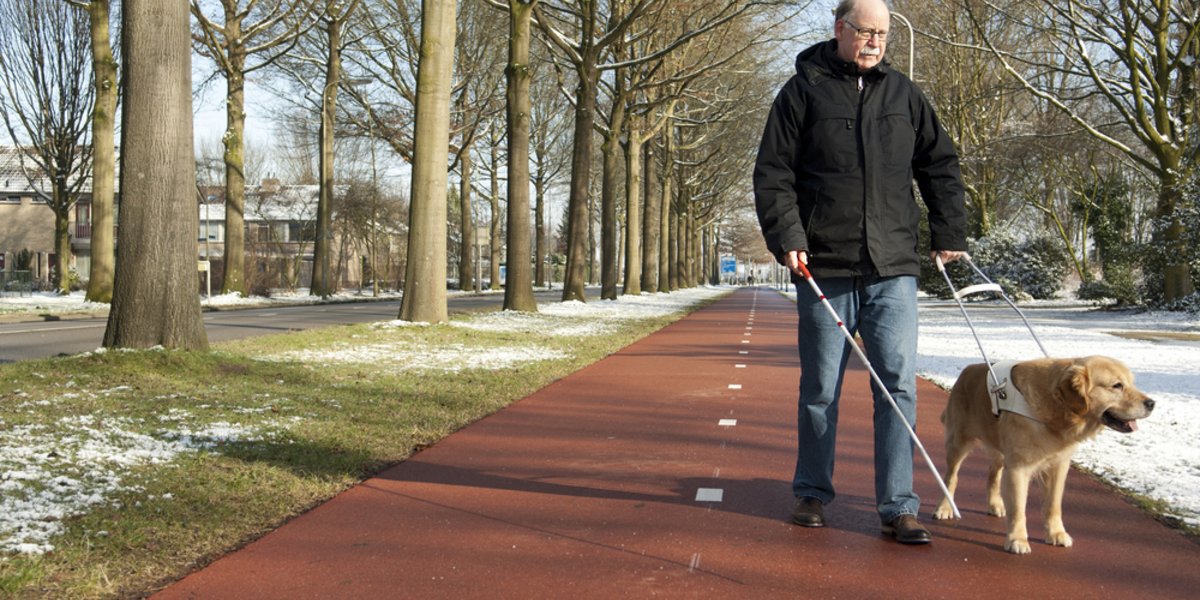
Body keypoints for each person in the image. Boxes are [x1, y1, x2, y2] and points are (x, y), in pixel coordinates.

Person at [752, 0, 967, 545]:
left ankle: (899, 506)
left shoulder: (905, 96)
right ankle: (812, 493)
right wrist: (789, 238)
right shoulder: (801, 92)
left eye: (883, 33)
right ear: (839, 28)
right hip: (823, 264)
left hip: (893, 265)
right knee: (821, 387)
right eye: (865, 30)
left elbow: (939, 164)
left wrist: (949, 233)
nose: (874, 41)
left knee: (897, 387)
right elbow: (773, 172)